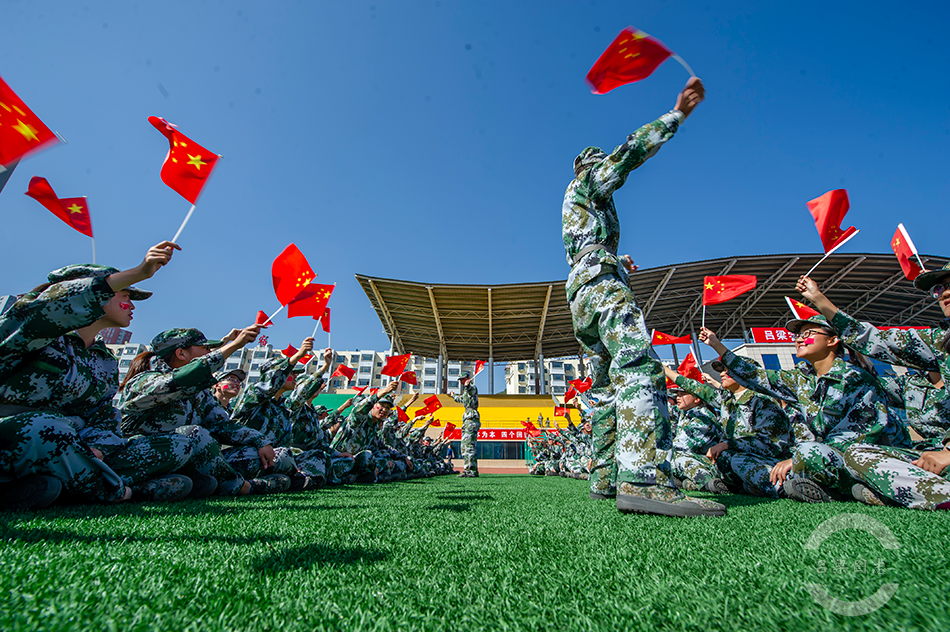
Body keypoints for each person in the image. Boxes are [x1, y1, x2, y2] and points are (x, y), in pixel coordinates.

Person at [562, 76, 723, 517]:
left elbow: (586, 245)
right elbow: (628, 154)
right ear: (588, 167)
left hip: (581, 291)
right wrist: (676, 116)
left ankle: (605, 478)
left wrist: (616, 257)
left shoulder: (578, 207)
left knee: (605, 388)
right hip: (601, 285)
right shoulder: (591, 182)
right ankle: (642, 482)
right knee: (638, 365)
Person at [0, 242, 190, 509]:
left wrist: (95, 448)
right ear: (96, 294)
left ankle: (59, 486)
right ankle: (117, 490)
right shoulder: (31, 330)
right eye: (124, 296)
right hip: (19, 440)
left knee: (177, 444)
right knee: (45, 427)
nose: (132, 306)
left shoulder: (104, 359)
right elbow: (47, 308)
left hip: (75, 449)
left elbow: (105, 415)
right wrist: (138, 272)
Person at [700, 315, 909, 504]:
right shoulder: (802, 380)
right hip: (823, 457)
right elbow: (757, 377)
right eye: (798, 335)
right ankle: (811, 487)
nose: (799, 339)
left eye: (808, 334)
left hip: (867, 456)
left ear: (832, 340)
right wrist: (717, 345)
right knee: (741, 461)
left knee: (808, 453)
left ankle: (852, 488)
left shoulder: (854, 379)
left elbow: (856, 435)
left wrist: (798, 458)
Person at [797, 271, 950, 510]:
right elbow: (874, 341)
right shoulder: (926, 363)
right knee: (857, 455)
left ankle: (928, 494)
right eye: (940, 289)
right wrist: (818, 299)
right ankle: (910, 491)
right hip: (929, 456)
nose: (945, 293)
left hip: (945, 457)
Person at [117, 326, 289, 495]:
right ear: (181, 353)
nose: (208, 352)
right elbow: (180, 380)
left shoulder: (200, 393)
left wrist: (260, 441)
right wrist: (234, 345)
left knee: (252, 455)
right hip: (146, 457)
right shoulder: (144, 381)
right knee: (191, 435)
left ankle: (194, 484)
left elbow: (221, 425)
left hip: (185, 459)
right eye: (205, 348)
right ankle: (239, 486)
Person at [667, 363, 790, 497]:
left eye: (728, 370)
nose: (721, 374)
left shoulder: (762, 401)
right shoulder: (727, 399)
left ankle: (783, 488)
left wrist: (729, 445)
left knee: (735, 460)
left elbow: (771, 444)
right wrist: (664, 369)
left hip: (764, 461)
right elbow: (695, 387)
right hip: (728, 458)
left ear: (745, 373)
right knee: (680, 458)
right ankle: (727, 485)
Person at [452, 372, 480, 477]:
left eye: (463, 379)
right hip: (467, 420)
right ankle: (468, 469)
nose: (461, 382)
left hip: (471, 419)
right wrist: (453, 395)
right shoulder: (465, 392)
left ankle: (471, 471)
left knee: (469, 445)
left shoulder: (472, 388)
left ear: (468, 378)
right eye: (460, 380)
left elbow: (471, 390)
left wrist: (468, 386)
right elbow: (460, 399)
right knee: (464, 446)